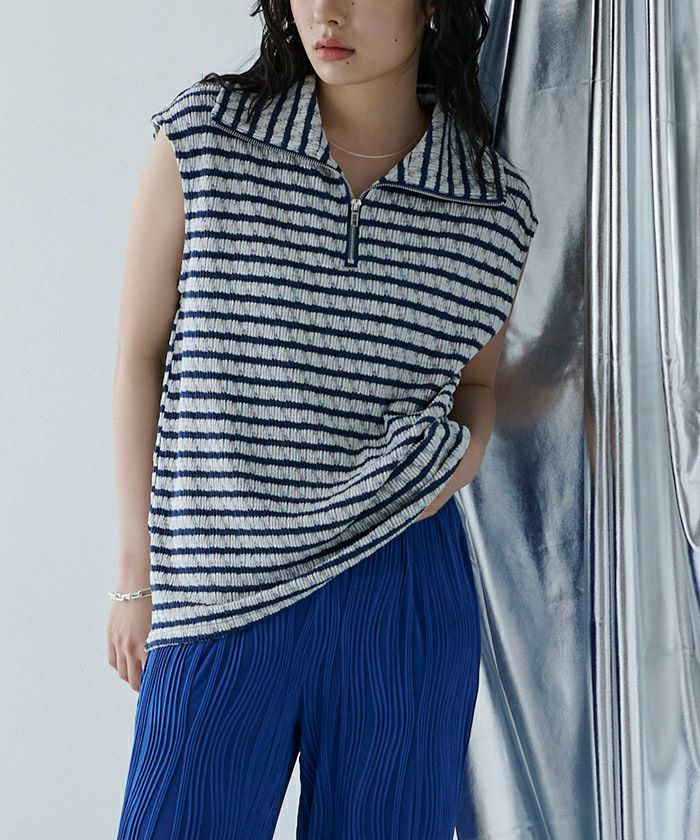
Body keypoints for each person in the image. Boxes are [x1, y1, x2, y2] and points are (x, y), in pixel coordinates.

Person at [109, 1, 539, 837]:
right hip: (222, 584)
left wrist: (457, 460)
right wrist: (136, 574)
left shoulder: (491, 203)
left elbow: (476, 387)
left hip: (400, 590)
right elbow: (139, 353)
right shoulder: (208, 136)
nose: (327, 13)